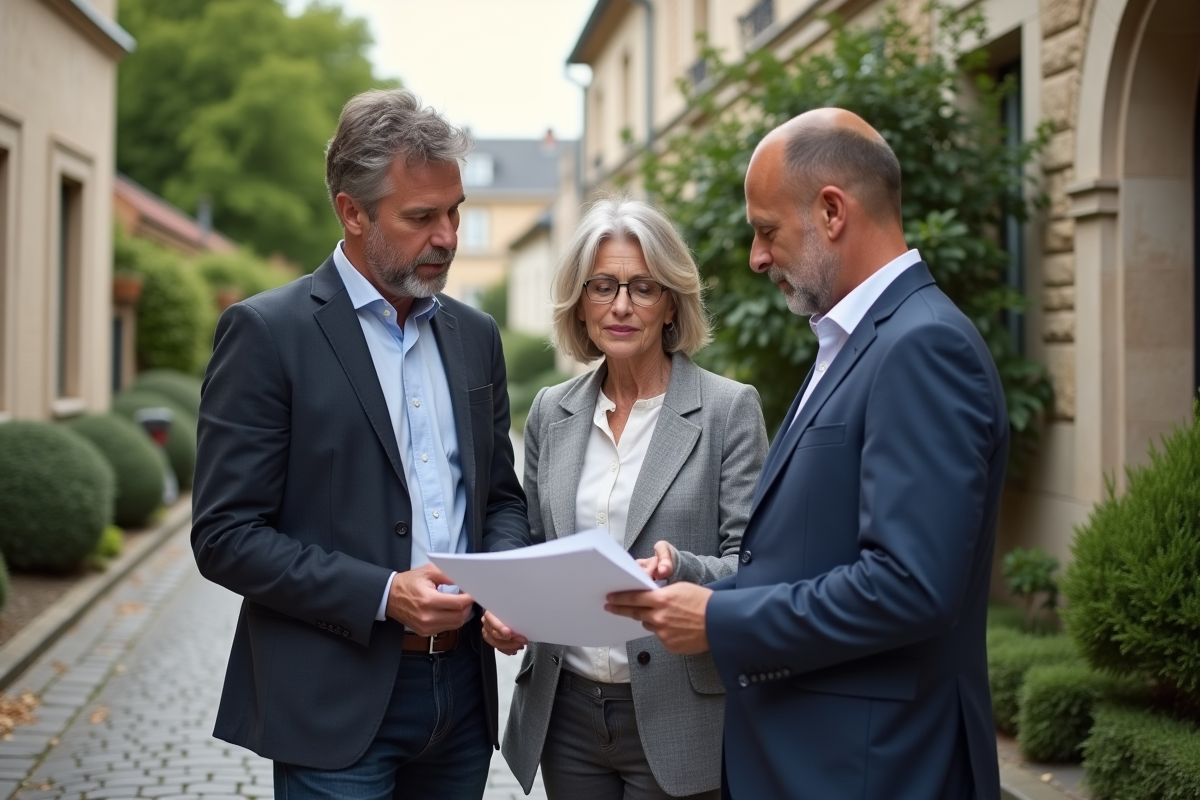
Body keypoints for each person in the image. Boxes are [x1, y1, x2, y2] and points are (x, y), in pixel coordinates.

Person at [608, 108, 1007, 800]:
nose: (757, 257)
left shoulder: (923, 346)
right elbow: (808, 556)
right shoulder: (856, 340)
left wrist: (718, 620)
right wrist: (700, 595)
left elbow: (910, 587)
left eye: (767, 230)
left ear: (831, 211)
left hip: (877, 768)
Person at [191, 89, 530, 799]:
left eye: (455, 211)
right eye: (421, 217)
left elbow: (499, 498)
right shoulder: (267, 334)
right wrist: (383, 594)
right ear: (352, 212)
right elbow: (225, 535)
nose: (449, 236)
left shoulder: (476, 336)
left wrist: (504, 586)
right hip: (333, 705)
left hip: (463, 700)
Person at [486, 198, 768, 800]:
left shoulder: (728, 410)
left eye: (642, 287)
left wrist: (682, 568)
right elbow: (535, 546)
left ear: (671, 303)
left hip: (678, 714)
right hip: (566, 714)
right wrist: (511, 608)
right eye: (602, 286)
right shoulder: (551, 412)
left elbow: (755, 566)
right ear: (580, 302)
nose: (620, 305)